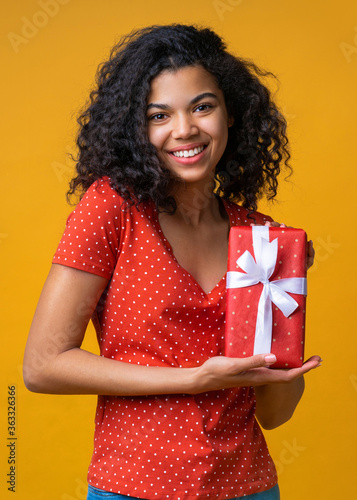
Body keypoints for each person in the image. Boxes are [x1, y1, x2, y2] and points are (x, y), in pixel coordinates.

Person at [23, 24, 320, 500]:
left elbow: (274, 414)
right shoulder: (112, 209)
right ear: (136, 129)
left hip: (248, 488)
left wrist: (291, 298)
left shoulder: (264, 239)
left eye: (203, 106)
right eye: (159, 115)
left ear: (232, 113)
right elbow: (42, 366)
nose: (184, 130)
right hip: (135, 487)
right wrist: (195, 379)